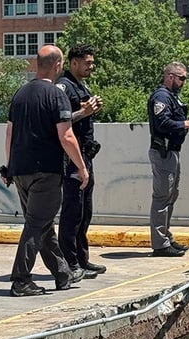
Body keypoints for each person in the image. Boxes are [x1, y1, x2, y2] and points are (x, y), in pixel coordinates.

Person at [4, 45, 90, 297]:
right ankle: (21, 280)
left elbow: (9, 133)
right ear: (57, 65)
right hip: (46, 171)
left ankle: (62, 274)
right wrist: (81, 167)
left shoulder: (20, 94)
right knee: (36, 225)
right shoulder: (56, 94)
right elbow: (67, 135)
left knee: (43, 226)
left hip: (20, 171)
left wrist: (9, 166)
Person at [56, 44, 107, 279]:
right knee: (73, 211)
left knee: (85, 210)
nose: (91, 66)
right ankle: (70, 262)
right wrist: (83, 113)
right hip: (72, 157)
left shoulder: (81, 86)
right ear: (73, 63)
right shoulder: (63, 87)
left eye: (92, 62)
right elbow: (60, 122)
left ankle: (82, 259)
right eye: (87, 62)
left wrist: (91, 108)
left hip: (86, 154)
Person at [146, 62, 189, 257]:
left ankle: (165, 237)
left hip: (172, 152)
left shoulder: (171, 97)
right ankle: (160, 244)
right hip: (164, 152)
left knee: (170, 196)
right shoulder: (161, 96)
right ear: (170, 76)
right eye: (181, 78)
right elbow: (162, 123)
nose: (183, 82)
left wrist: (187, 123)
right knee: (162, 198)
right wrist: (186, 123)